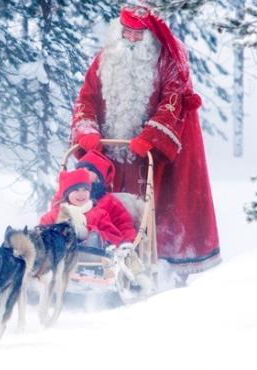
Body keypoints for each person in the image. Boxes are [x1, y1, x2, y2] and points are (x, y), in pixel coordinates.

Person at [69, 5, 220, 278]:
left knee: (155, 208)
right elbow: (86, 99)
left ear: (150, 36)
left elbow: (172, 103)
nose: (131, 39)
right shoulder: (105, 60)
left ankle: (162, 266)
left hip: (152, 156)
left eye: (138, 34)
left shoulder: (168, 62)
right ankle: (97, 252)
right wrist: (87, 130)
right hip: (109, 154)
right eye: (126, 32)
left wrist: (150, 136)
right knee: (99, 202)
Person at [39, 169, 125, 249]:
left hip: (93, 260)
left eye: (85, 190)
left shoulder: (99, 214)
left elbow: (115, 238)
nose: (81, 194)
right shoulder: (53, 215)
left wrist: (88, 232)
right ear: (67, 194)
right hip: (62, 259)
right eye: (76, 190)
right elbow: (41, 237)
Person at [75, 150, 137, 243]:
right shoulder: (70, 196)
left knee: (94, 234)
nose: (84, 172)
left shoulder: (109, 201)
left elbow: (124, 224)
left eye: (90, 170)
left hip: (102, 243)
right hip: (72, 240)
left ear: (99, 178)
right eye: (81, 169)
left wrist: (127, 243)